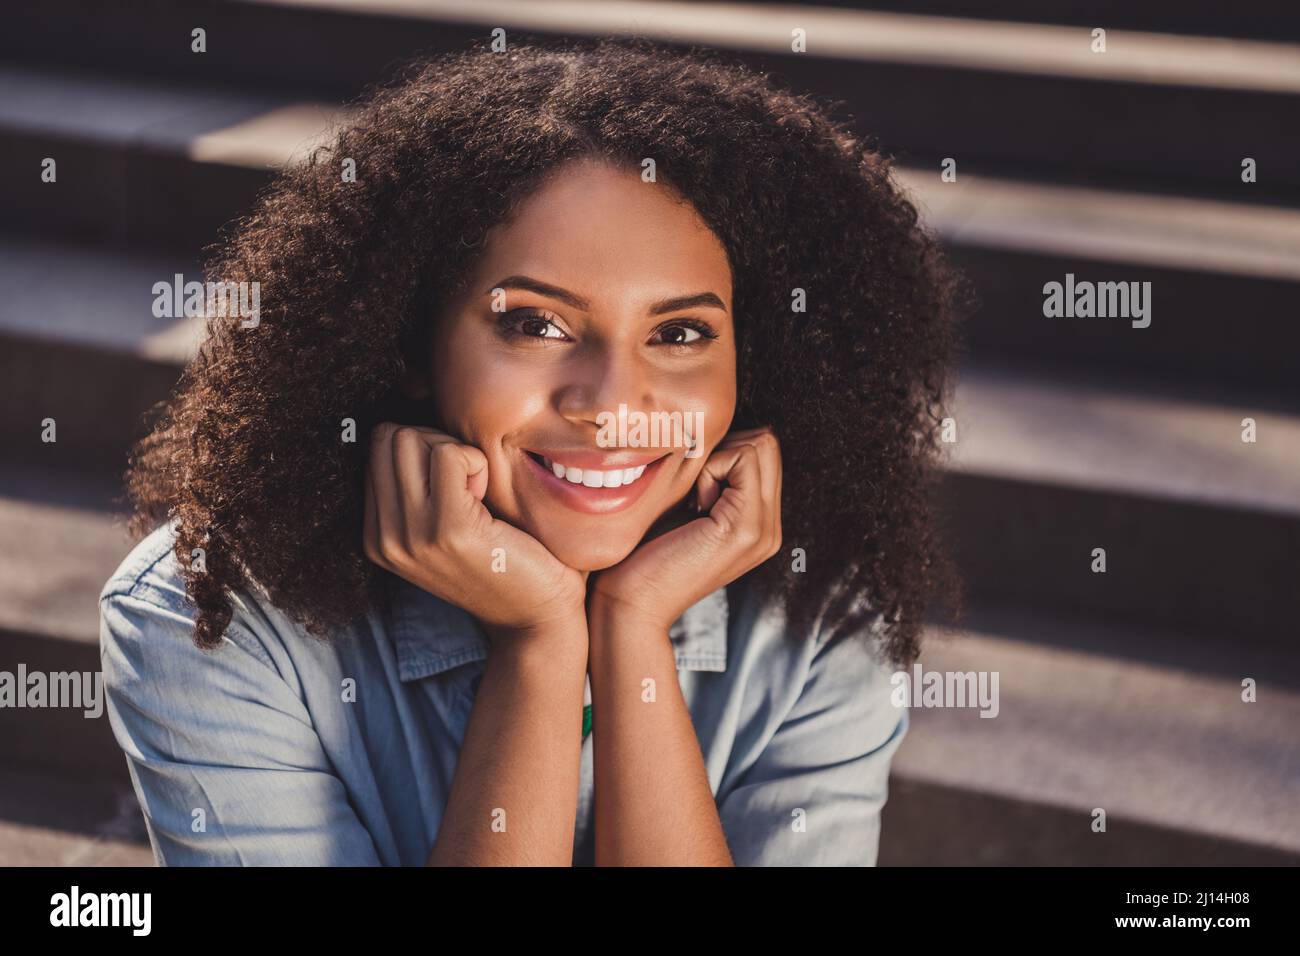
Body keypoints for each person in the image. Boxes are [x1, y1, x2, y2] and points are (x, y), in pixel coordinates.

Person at [99, 38, 963, 866]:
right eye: (535, 324)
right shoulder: (207, 619)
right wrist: (540, 648)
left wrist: (631, 629)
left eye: (681, 332)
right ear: (404, 343)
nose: (612, 406)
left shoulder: (824, 618)